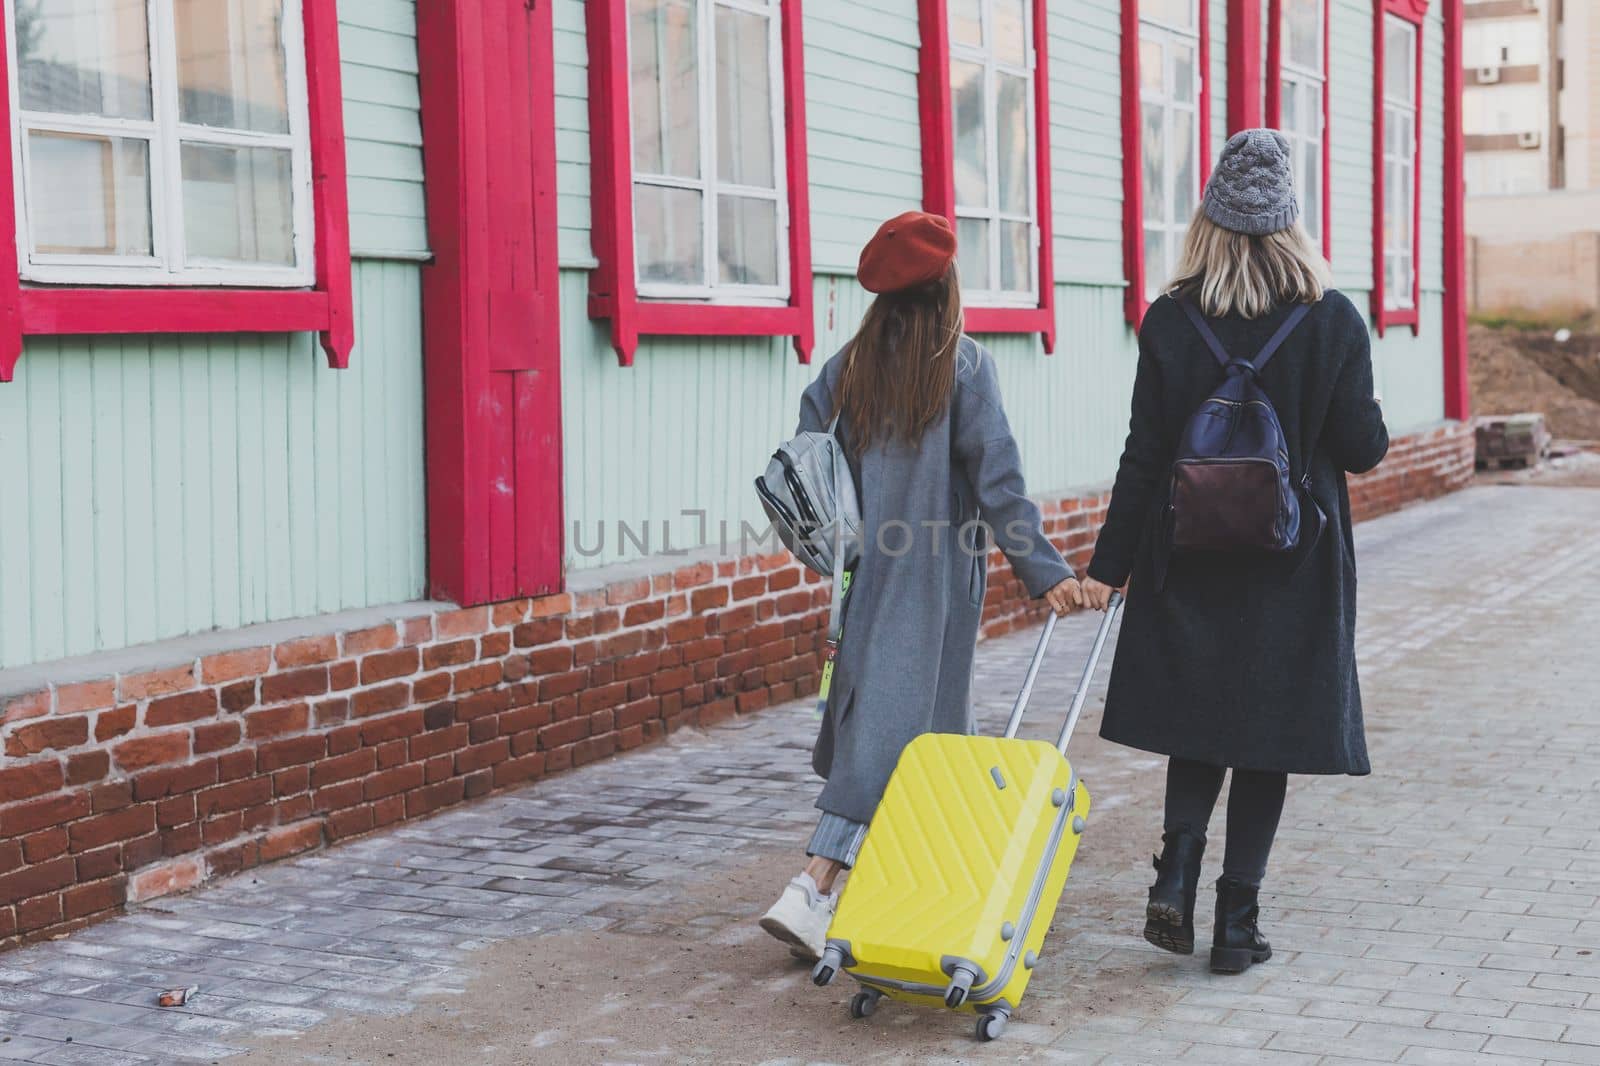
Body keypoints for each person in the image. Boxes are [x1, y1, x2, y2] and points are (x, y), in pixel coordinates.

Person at [1080, 130, 1388, 975]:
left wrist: (1107, 568)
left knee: (1199, 719)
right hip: (1295, 558)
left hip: (1187, 549)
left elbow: (1144, 453)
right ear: (1293, 223)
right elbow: (1362, 449)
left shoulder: (1172, 318)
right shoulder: (1332, 321)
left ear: (1209, 221)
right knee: (1269, 733)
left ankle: (1174, 877)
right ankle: (1237, 926)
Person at [759, 211, 1084, 961]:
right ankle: (813, 887)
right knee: (903, 735)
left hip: (867, 576)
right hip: (936, 583)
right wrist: (1047, 574)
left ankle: (922, 889)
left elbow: (811, 453)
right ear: (945, 287)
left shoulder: (851, 365)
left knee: (910, 726)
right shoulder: (963, 365)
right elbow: (999, 483)